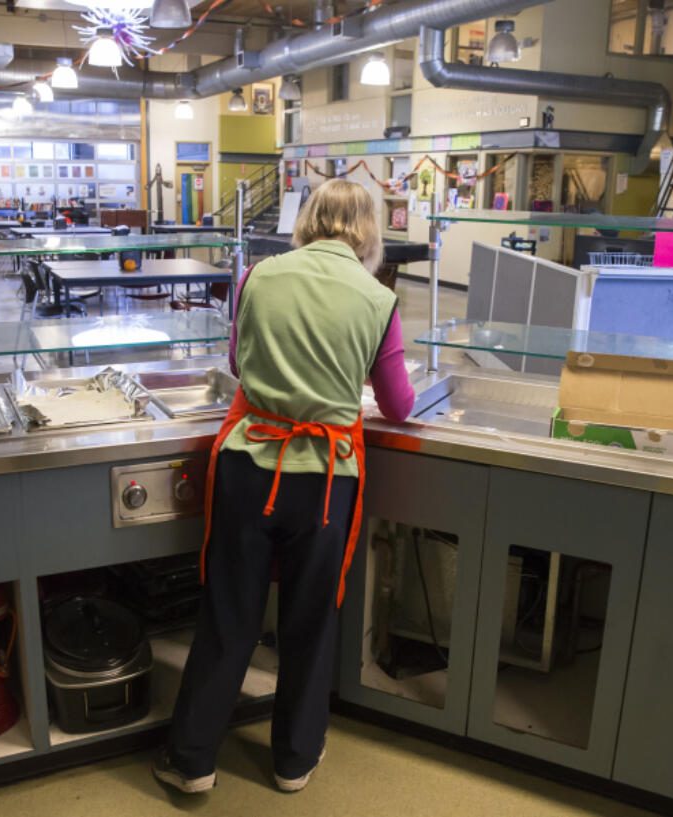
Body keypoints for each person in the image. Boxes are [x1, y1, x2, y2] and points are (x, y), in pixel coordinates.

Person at [154, 179, 415, 795]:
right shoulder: (377, 300)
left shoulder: (259, 278)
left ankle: (191, 760)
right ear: (369, 233)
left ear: (307, 221)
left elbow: (240, 366)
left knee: (229, 615)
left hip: (250, 466)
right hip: (325, 480)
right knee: (308, 621)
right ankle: (294, 760)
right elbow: (399, 405)